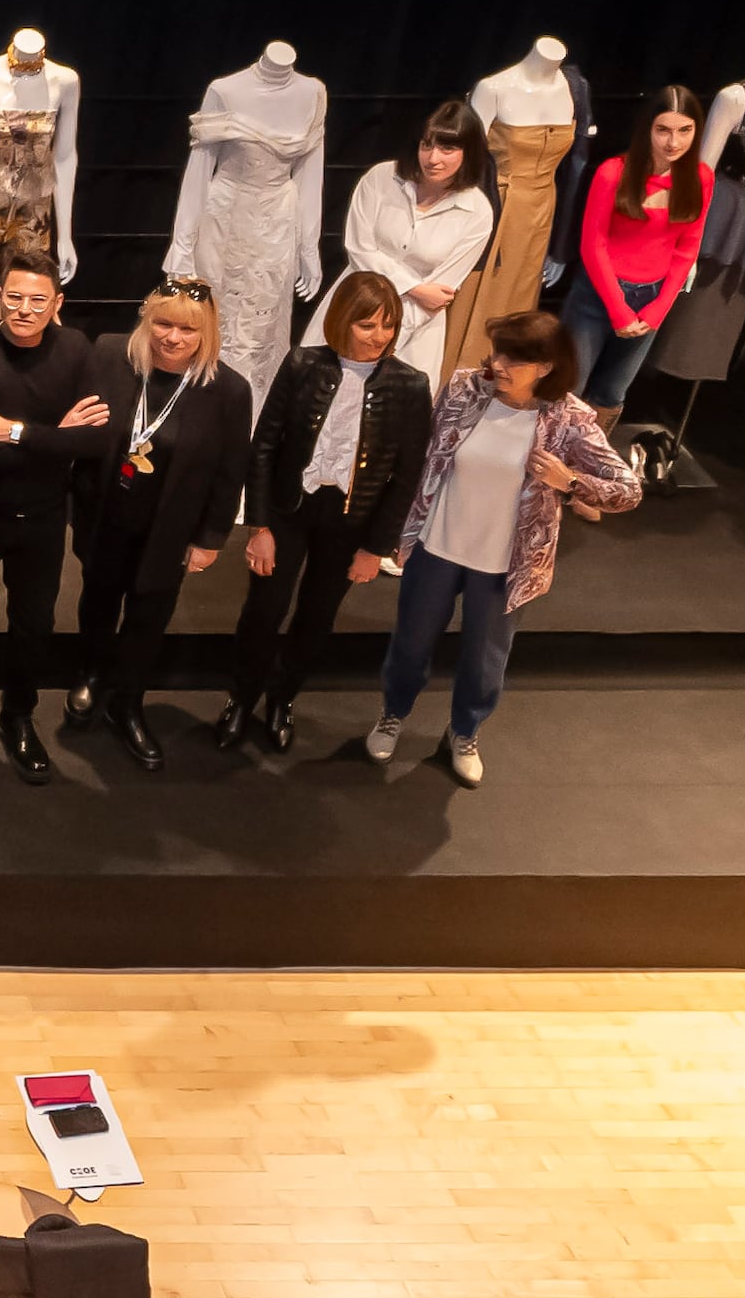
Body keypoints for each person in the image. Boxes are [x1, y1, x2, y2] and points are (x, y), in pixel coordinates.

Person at [368, 308, 642, 787]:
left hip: (504, 565)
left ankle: (465, 732)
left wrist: (570, 481)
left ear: (546, 366)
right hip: (438, 545)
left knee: (484, 657)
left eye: (514, 359)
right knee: (410, 641)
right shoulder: (464, 388)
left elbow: (628, 490)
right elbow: (423, 455)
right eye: (498, 352)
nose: (498, 365)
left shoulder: (570, 419)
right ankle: (392, 714)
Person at [214, 275, 427, 758]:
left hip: (352, 519)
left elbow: (406, 477)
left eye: (388, 326)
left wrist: (376, 547)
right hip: (291, 509)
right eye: (367, 324)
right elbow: (264, 447)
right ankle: (240, 699)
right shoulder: (303, 364)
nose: (379, 336)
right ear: (341, 320)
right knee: (263, 612)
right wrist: (260, 526)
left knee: (317, 617)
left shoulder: (411, 385)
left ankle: (282, 701)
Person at [0, 254, 117, 784]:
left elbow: (98, 440)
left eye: (38, 300)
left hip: (44, 514)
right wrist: (58, 437)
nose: (24, 309)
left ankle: (18, 716)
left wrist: (17, 431)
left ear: (57, 304)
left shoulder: (77, 349)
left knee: (33, 622)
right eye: (14, 297)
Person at [66, 280, 252, 772]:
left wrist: (211, 539)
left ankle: (127, 703)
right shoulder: (109, 355)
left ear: (206, 332)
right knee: (98, 600)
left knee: (148, 618)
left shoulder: (229, 390)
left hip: (169, 530)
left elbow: (232, 471)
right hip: (106, 514)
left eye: (187, 329)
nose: (171, 337)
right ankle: (90, 673)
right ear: (145, 321)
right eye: (162, 324)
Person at [562, 85, 713, 413]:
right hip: (597, 295)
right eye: (663, 130)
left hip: (650, 298)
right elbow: (593, 244)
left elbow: (688, 247)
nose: (674, 142)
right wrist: (618, 309)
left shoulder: (700, 177)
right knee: (570, 389)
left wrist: (659, 309)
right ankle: (545, 462)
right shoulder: (613, 171)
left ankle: (587, 463)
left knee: (612, 394)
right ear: (648, 129)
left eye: (685, 130)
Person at [339, 101, 498, 386]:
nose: (433, 158)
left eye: (447, 149)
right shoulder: (381, 178)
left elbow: (437, 297)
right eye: (426, 146)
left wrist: (386, 339)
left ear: (469, 153)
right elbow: (359, 249)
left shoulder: (478, 212)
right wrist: (415, 288)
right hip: (353, 306)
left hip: (415, 328)